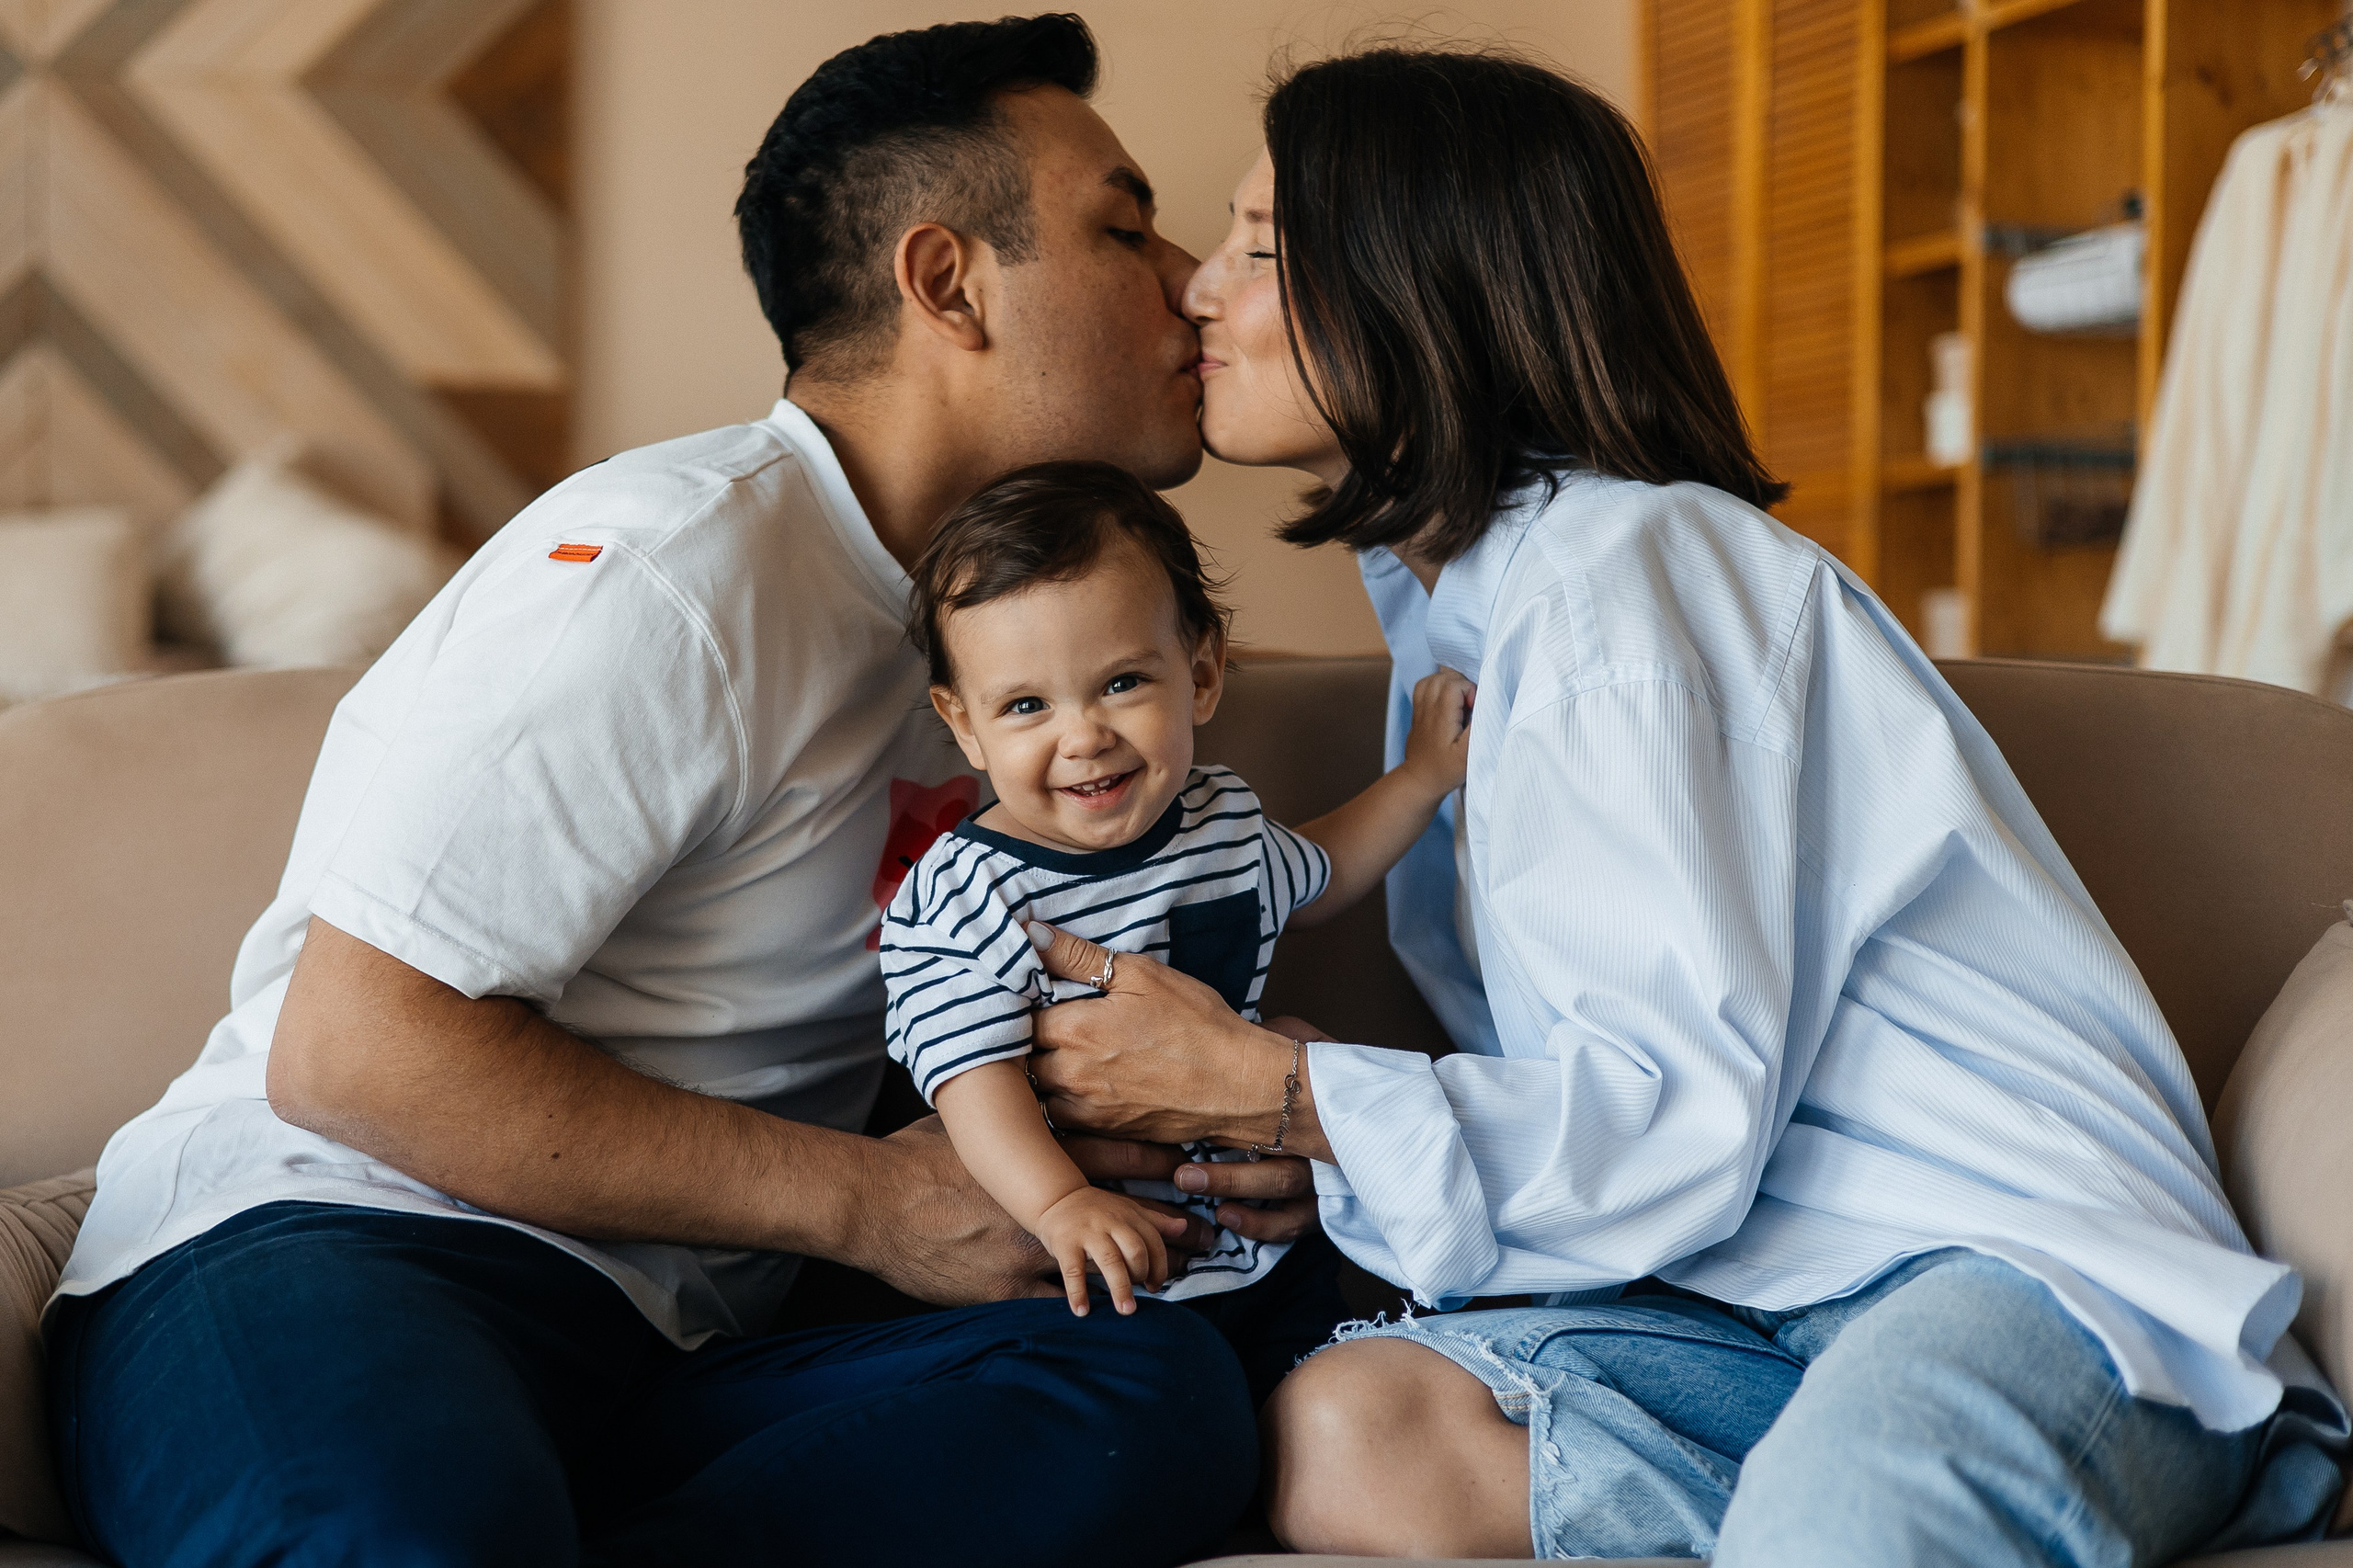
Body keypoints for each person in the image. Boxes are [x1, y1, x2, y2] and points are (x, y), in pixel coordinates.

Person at [1021, 44, 2350, 1566]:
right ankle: (1976, 1505)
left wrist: (1279, 1092)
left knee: (1857, 1513)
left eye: (1260, 250)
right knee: (1352, 1438)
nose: (1200, 288)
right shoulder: (1476, 626)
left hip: (1996, 1261)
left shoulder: (1626, 581)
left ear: (1423, 281)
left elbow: (1669, 1117)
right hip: (1752, 1294)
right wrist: (1313, 1115)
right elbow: (1624, 1080)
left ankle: (2031, 1468)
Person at [44, 17, 1307, 1567]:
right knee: (407, 1537)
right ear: (946, 282)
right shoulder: (663, 571)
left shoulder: (1035, 660)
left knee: (1149, 1392)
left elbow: (986, 1001)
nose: (1188, 279)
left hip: (666, 1333)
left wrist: (1236, 1110)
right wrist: (867, 1206)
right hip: (336, 1244)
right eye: (1126, 228)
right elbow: (353, 1051)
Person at [881, 461, 1469, 1389]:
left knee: (1377, 1367)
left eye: (1119, 682)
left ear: (1200, 673)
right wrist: (1059, 1200)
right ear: (965, 725)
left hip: (1261, 1239)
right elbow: (970, 1079)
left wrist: (1422, 778)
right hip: (1091, 1257)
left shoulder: (1221, 819)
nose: (1082, 736)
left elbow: (1320, 877)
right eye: (1026, 705)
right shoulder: (972, 893)